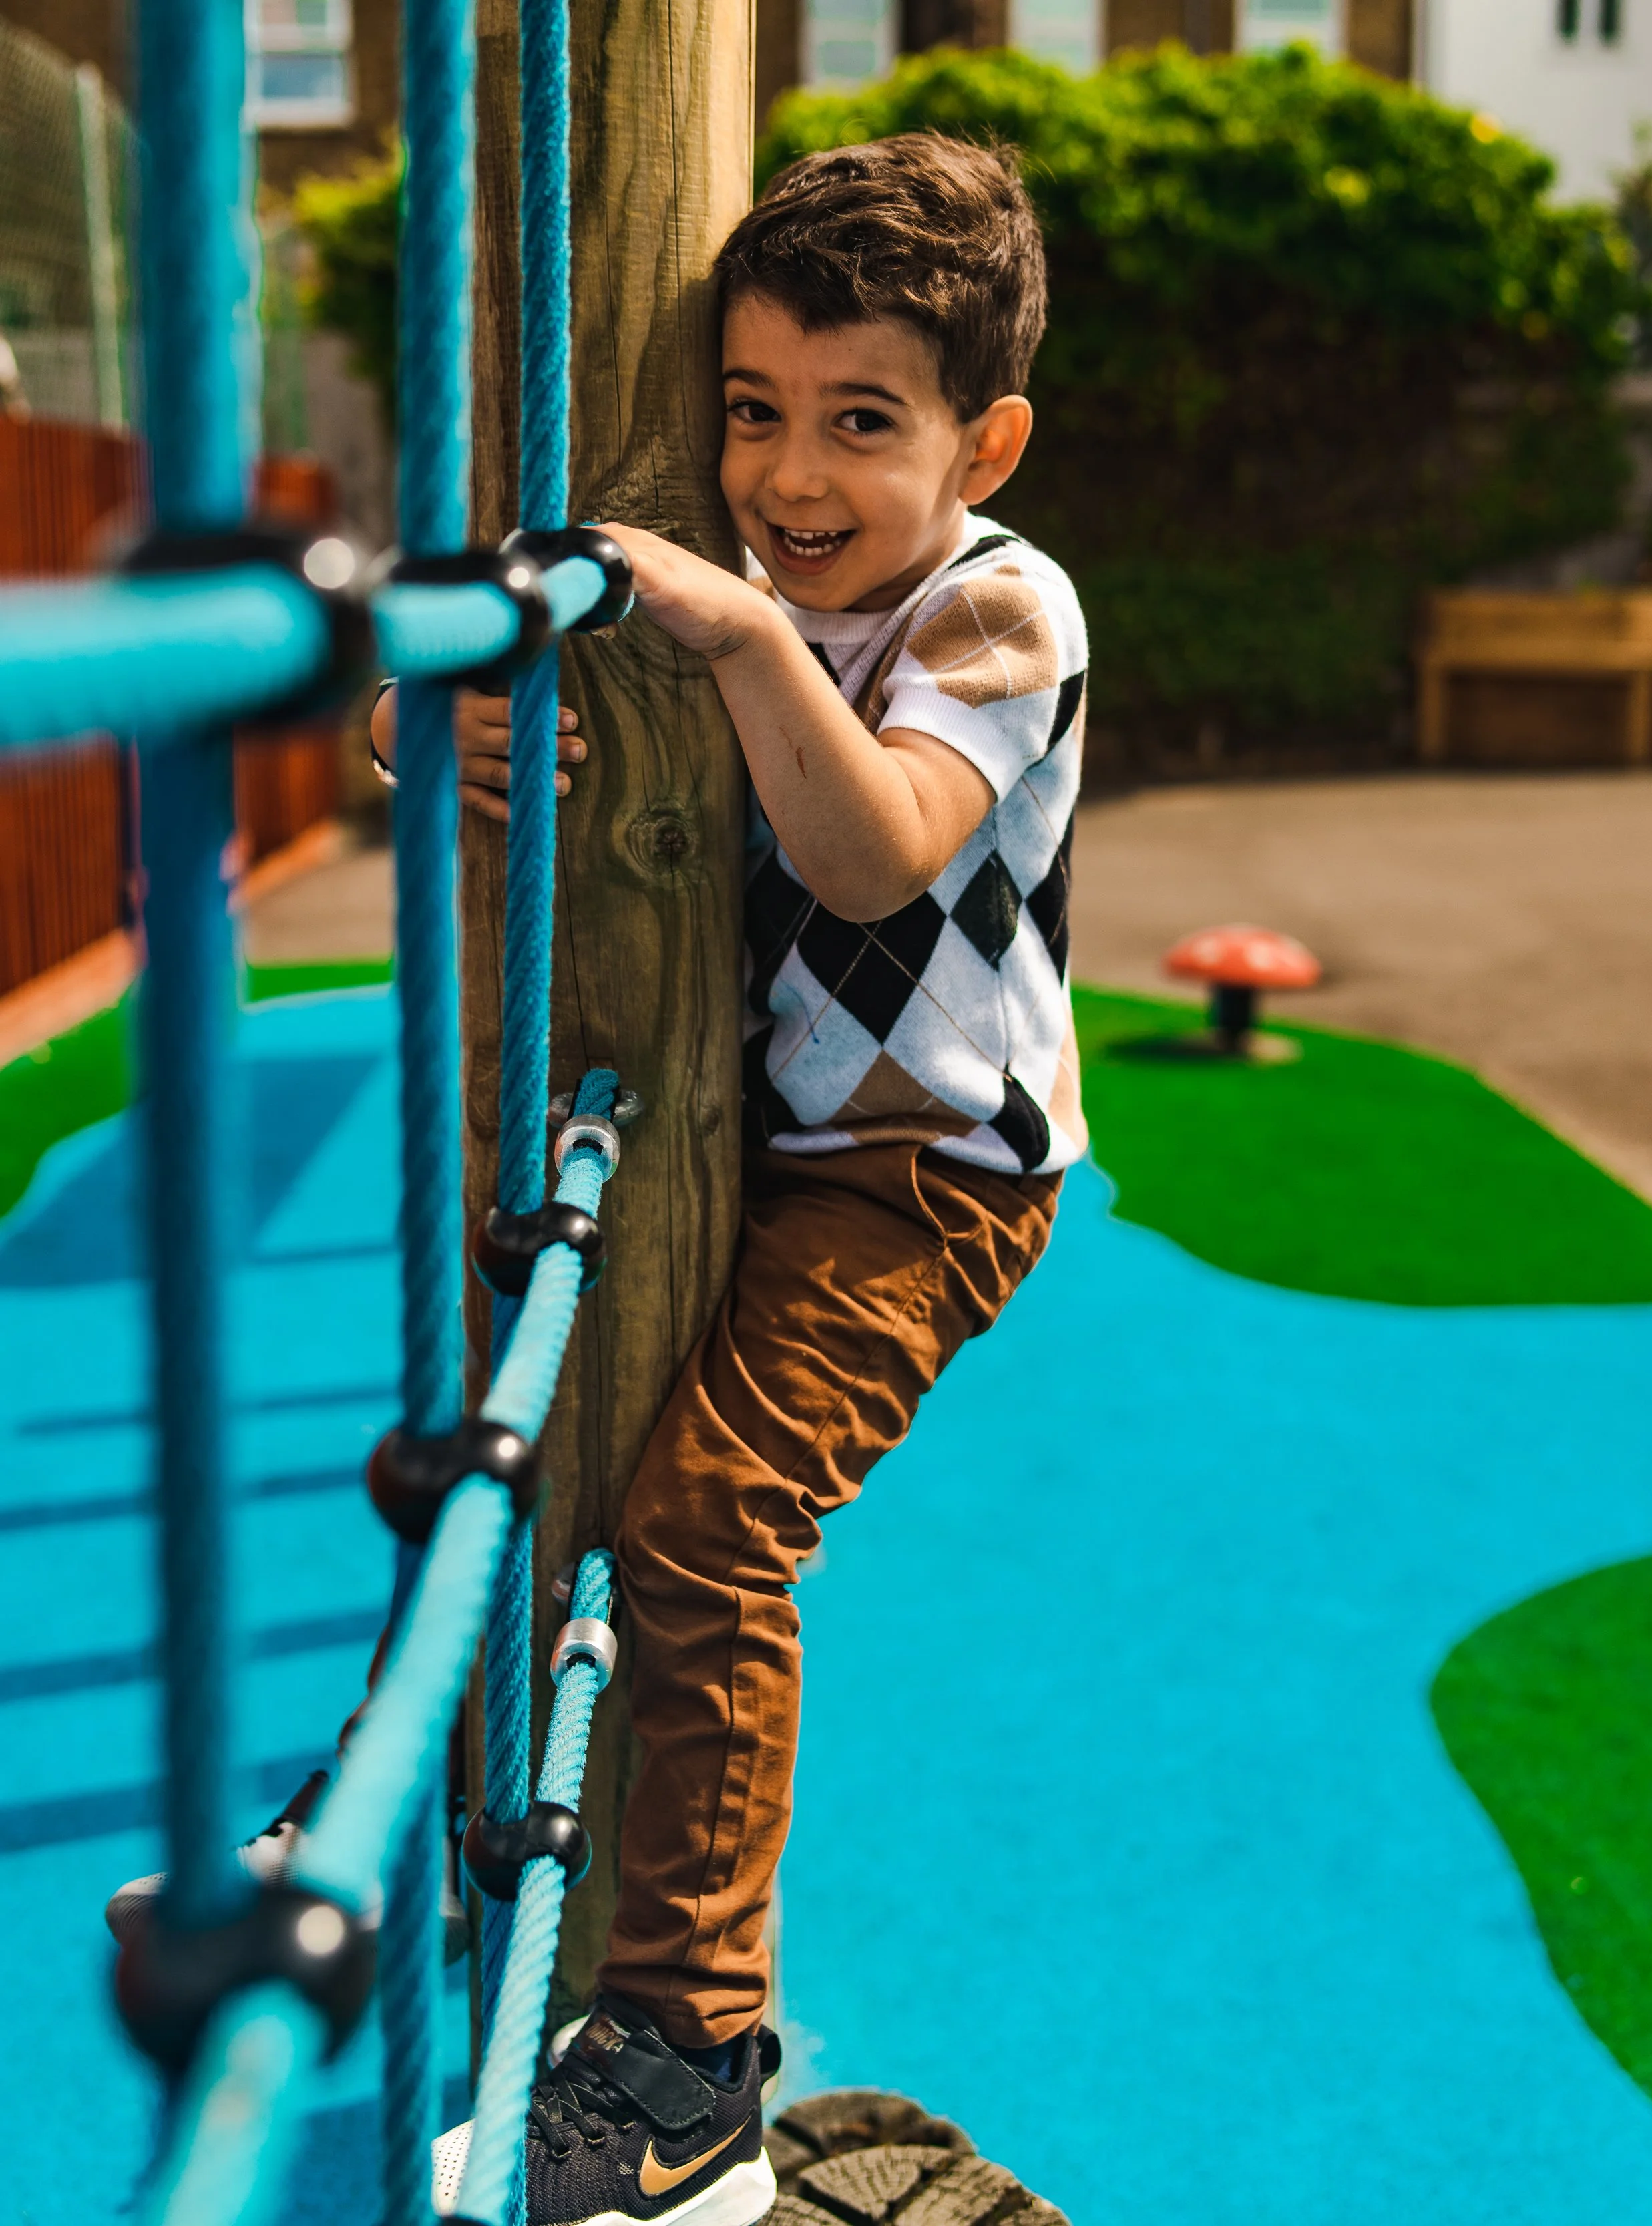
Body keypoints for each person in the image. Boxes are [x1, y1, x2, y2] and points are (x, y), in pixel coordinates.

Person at [122, 131, 1089, 2226]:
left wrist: (739, 636)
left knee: (709, 1520)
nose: (792, 475)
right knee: (521, 1439)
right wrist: (420, 726)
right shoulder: (764, 588)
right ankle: (363, 1804)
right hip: (734, 1134)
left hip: (921, 1175)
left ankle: (678, 2055)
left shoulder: (997, 608)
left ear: (979, 440)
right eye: (752, 413)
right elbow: (511, 708)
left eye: (862, 423)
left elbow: (861, 850)